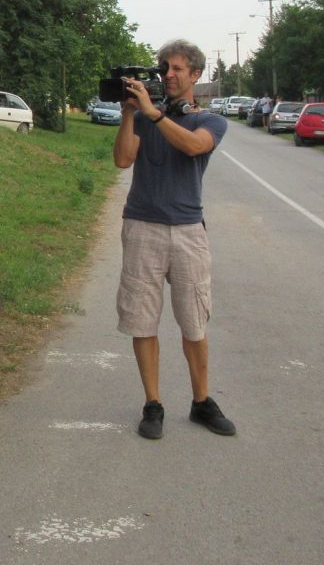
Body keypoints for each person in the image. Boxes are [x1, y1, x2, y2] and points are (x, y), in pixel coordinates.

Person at [112, 39, 236, 440]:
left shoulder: (210, 121)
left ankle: (201, 402)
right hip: (142, 226)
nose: (168, 75)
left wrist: (154, 114)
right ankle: (153, 403)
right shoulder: (145, 116)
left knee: (193, 322)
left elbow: (195, 146)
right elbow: (123, 159)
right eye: (164, 68)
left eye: (178, 68)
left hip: (187, 231)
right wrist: (132, 115)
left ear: (195, 75)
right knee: (142, 319)